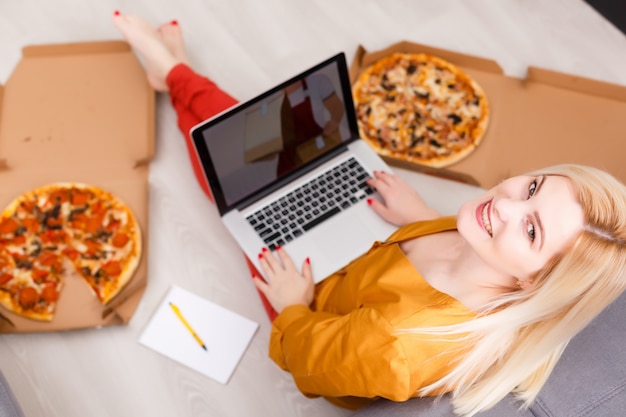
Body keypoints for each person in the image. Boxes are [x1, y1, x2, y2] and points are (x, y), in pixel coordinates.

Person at [112, 12, 626, 416]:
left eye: (532, 229)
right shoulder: (485, 237)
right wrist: (419, 215)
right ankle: (176, 77)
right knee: (268, 151)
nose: (506, 204)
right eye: (532, 187)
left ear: (537, 283)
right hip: (365, 260)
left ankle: (175, 75)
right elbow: (475, 237)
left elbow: (307, 364)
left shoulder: (397, 348)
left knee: (238, 183)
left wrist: (292, 306)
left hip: (313, 305)